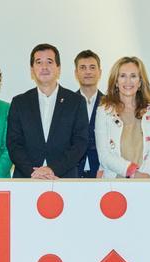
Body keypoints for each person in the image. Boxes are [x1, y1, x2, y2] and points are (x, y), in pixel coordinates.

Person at [6, 44, 89, 179]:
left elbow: (80, 142)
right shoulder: (19, 102)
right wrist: (32, 172)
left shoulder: (76, 102)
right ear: (32, 70)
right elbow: (14, 144)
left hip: (64, 177)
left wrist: (53, 169)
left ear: (58, 68)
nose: (44, 67)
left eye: (49, 62)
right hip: (27, 178)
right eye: (39, 62)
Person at [95, 56, 150, 179]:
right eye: (123, 76)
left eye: (133, 76)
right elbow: (104, 155)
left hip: (147, 179)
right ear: (116, 81)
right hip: (114, 181)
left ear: (140, 82)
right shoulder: (103, 111)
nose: (128, 81)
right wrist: (133, 173)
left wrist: (144, 175)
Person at [74, 50, 103, 177]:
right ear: (76, 73)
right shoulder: (67, 104)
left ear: (100, 72)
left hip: (101, 172)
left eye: (92, 67)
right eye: (83, 68)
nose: (88, 72)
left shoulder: (110, 104)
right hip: (73, 172)